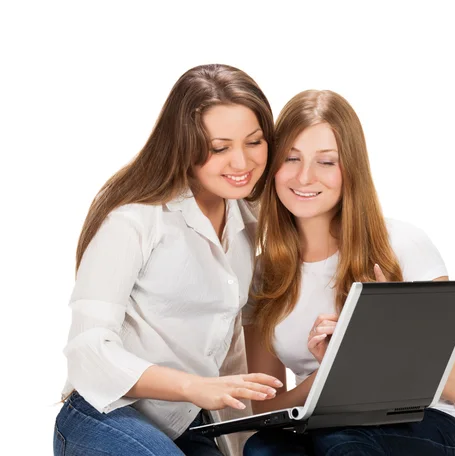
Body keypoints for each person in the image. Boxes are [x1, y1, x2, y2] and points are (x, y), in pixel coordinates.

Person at [53, 64, 283, 456]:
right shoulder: (135, 221)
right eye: (219, 148)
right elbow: (87, 350)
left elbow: (232, 361)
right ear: (184, 145)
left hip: (187, 424)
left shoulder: (251, 223)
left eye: (254, 142)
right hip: (105, 412)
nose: (242, 163)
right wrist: (193, 386)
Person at [242, 90, 455, 455]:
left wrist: (388, 334)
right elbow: (266, 407)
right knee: (263, 449)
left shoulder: (401, 243)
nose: (304, 177)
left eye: (326, 162)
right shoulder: (264, 272)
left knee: (343, 439)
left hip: (420, 424)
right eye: (291, 158)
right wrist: (332, 376)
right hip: (321, 424)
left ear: (350, 170)